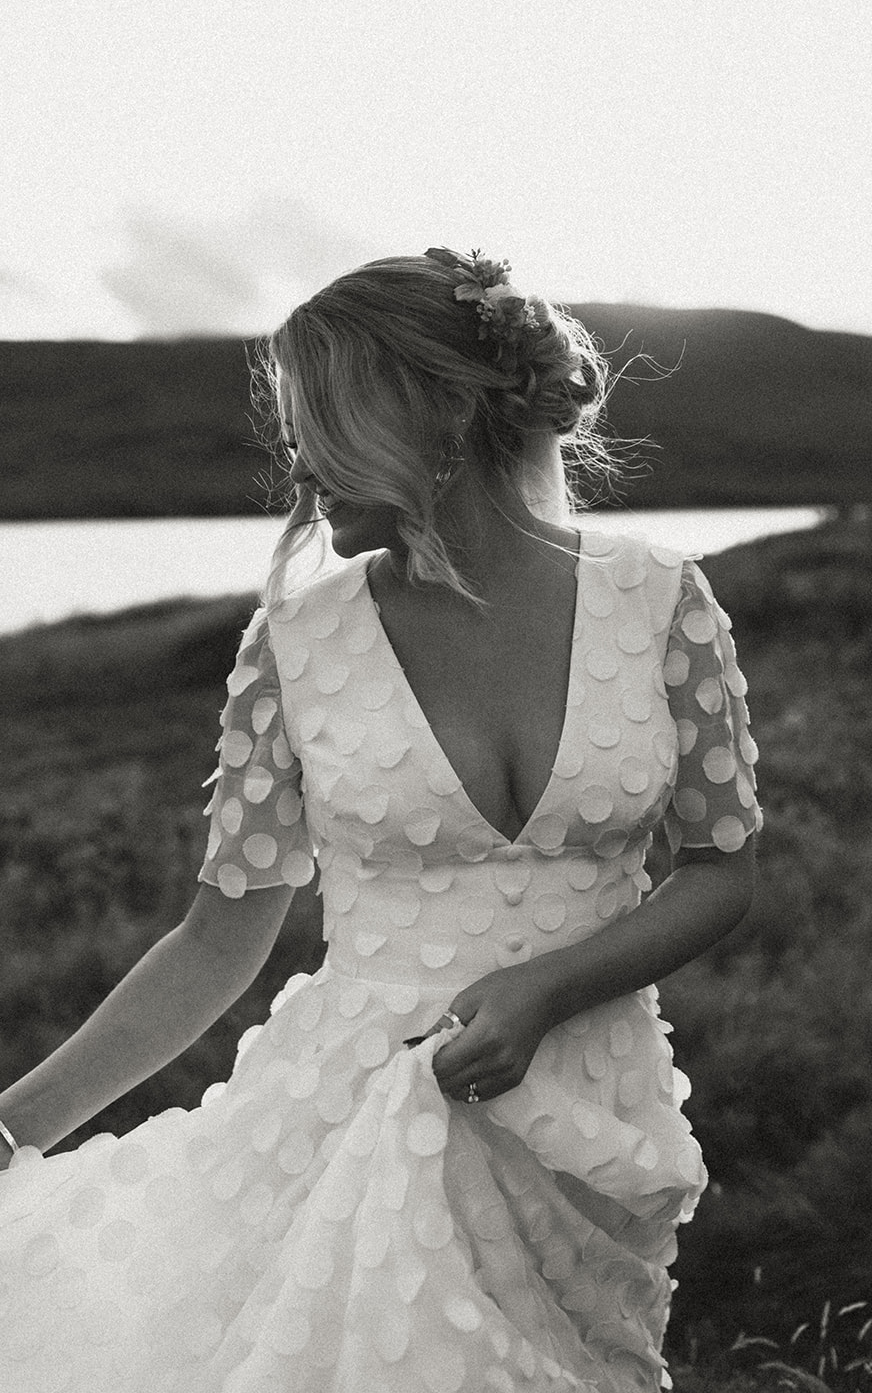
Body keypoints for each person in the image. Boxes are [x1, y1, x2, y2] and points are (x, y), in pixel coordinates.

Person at [0, 247, 762, 1393]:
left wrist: (548, 986)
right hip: (349, 1122)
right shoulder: (294, 644)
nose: (298, 469)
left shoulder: (662, 603)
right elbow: (221, 935)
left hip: (593, 1125)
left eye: (322, 426)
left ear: (432, 418)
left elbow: (721, 867)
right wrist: (14, 1127)